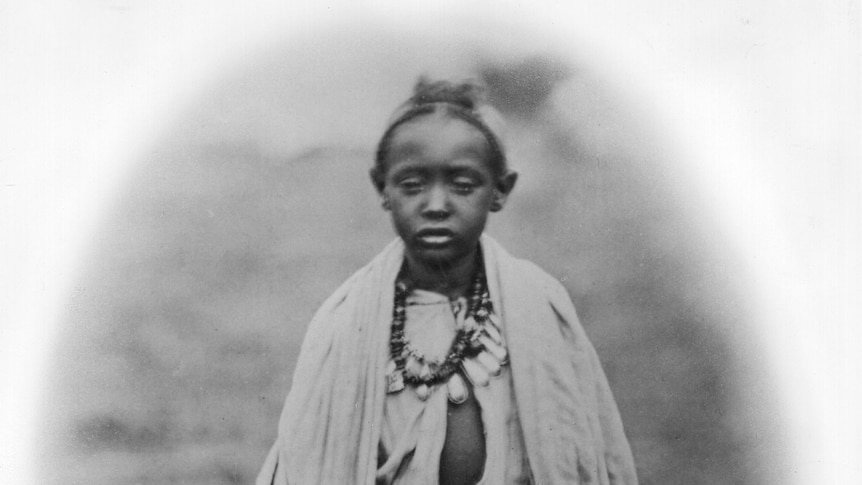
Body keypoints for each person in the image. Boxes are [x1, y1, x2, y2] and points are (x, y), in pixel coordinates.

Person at [257, 78, 638, 484]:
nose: (436, 205)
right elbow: (304, 462)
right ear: (382, 189)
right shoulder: (345, 321)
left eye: (462, 185)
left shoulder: (538, 305)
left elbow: (590, 456)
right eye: (412, 185)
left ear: (500, 190)